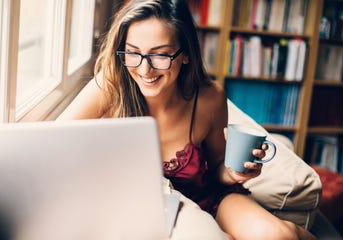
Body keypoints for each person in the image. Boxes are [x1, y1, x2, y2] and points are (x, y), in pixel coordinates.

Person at [58, 0, 316, 239]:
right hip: (145, 209)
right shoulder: (110, 86)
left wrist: (235, 173)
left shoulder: (209, 99)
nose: (144, 69)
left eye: (160, 55)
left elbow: (217, 171)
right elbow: (54, 142)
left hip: (211, 199)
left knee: (278, 236)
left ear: (186, 54)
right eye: (133, 53)